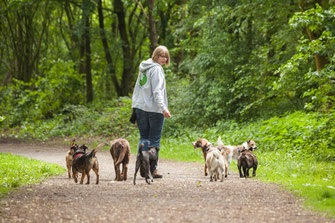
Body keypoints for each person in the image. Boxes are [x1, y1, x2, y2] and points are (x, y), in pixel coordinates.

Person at [131, 45, 171, 178]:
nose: (164, 59)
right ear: (156, 55)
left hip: (140, 108)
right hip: (154, 110)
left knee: (144, 139)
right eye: (161, 56)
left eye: (166, 56)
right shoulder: (157, 70)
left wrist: (135, 105)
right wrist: (163, 108)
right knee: (154, 140)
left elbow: (138, 88)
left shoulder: (144, 68)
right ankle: (152, 169)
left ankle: (142, 167)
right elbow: (157, 91)